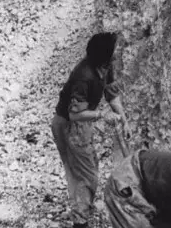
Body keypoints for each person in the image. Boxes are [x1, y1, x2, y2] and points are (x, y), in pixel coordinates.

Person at [52, 32, 127, 228]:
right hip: (69, 125)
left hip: (82, 124)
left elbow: (111, 92)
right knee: (85, 174)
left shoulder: (104, 66)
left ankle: (83, 209)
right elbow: (75, 113)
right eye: (113, 51)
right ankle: (80, 221)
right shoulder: (84, 76)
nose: (116, 54)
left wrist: (122, 116)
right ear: (104, 55)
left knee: (90, 165)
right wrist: (102, 114)